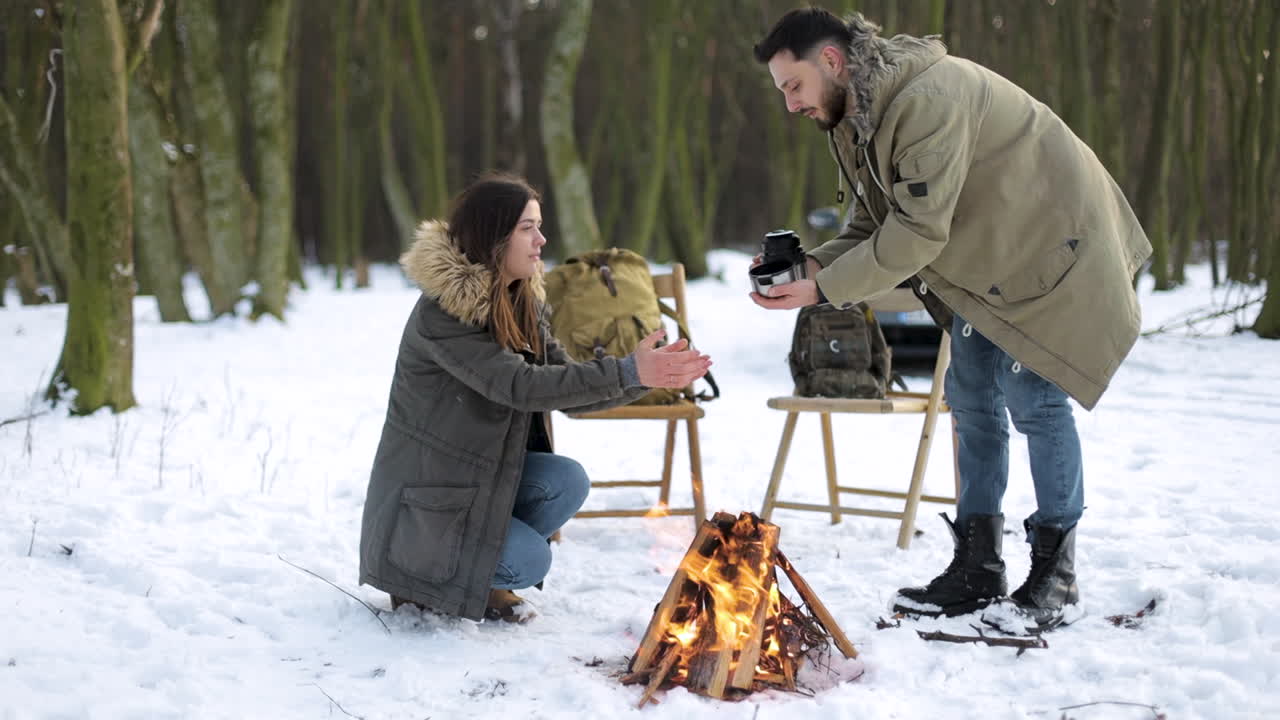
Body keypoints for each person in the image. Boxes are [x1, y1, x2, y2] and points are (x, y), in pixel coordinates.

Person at [750, 8, 1151, 631]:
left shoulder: (927, 100)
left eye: (793, 86)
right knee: (970, 403)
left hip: (1053, 251)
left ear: (831, 62)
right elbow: (871, 224)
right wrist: (806, 270)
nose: (791, 105)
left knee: (1033, 402)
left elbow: (915, 233)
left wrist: (823, 289)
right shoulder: (857, 117)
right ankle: (979, 565)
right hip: (982, 265)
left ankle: (1056, 576)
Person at [359, 173, 712, 623]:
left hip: (480, 477)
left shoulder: (520, 299)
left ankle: (480, 574)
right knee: (530, 561)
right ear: (493, 235)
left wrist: (644, 376)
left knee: (566, 480)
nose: (542, 240)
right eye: (528, 228)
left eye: (538, 226)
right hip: (429, 503)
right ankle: (422, 582)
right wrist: (627, 370)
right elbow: (522, 386)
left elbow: (565, 386)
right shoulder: (444, 313)